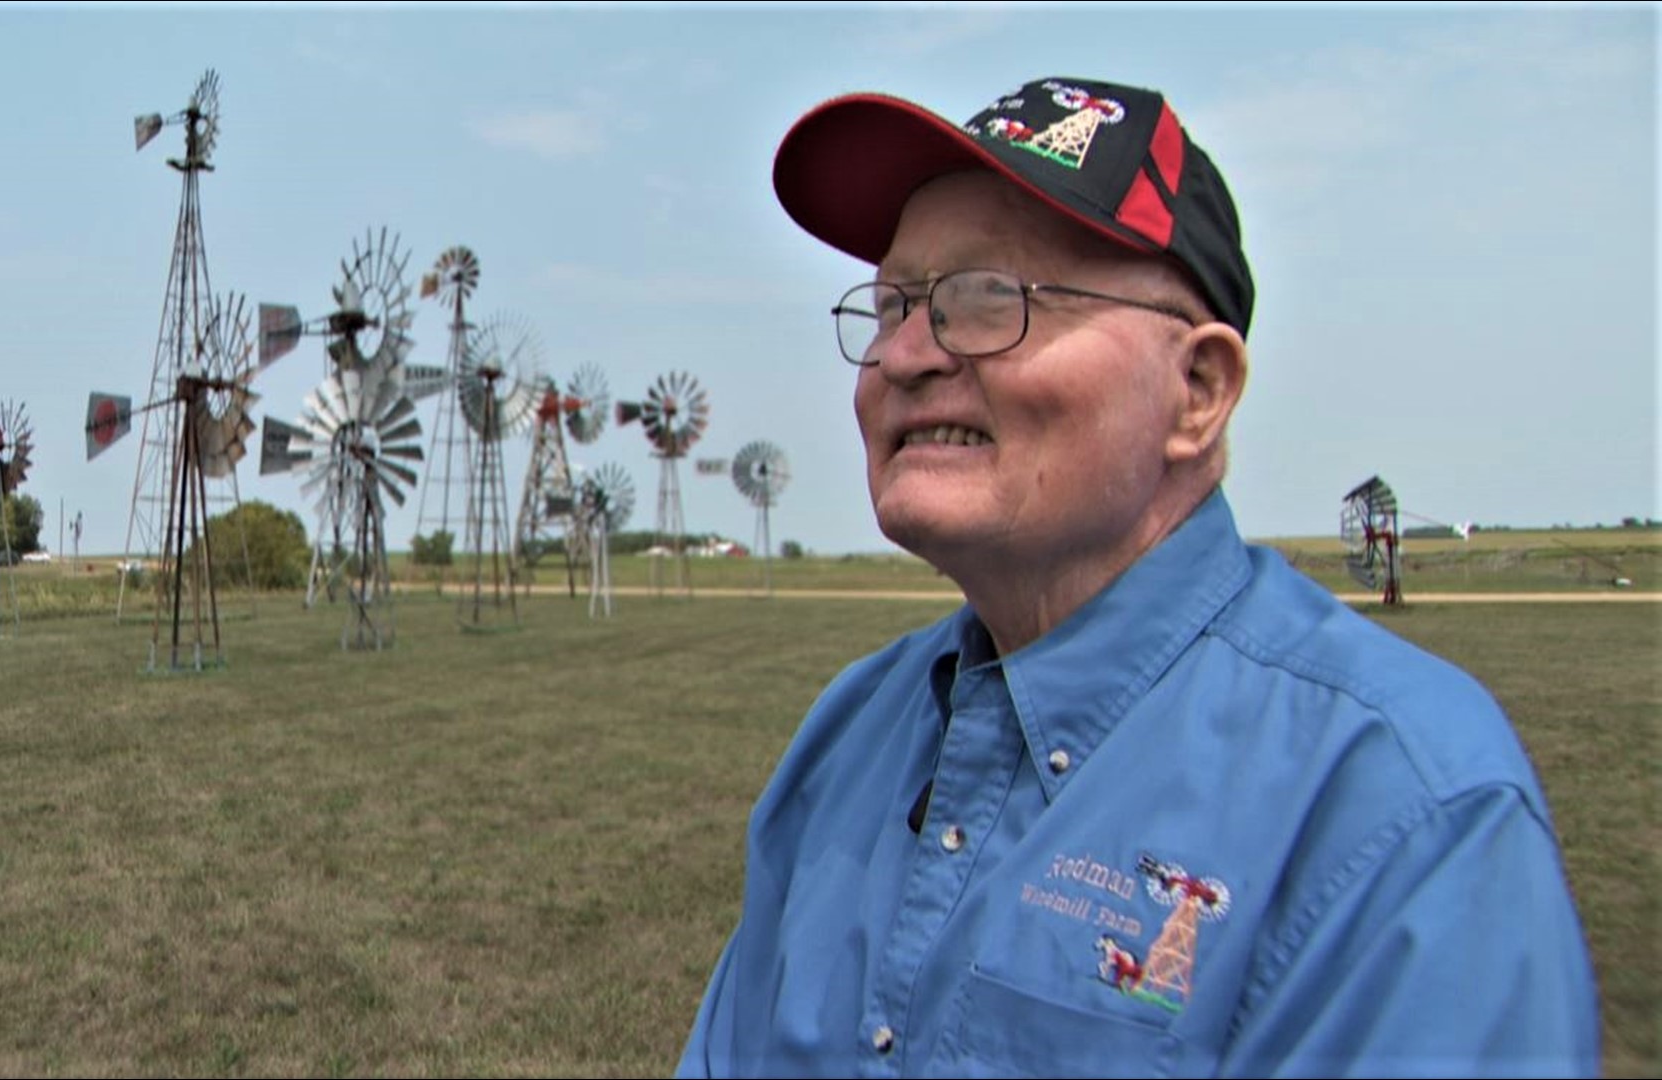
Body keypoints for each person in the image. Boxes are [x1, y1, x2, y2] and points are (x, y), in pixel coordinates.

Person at [676, 76, 1600, 1078]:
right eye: (893, 302)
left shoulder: (1405, 808)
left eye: (988, 298)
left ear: (1197, 392)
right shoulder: (849, 735)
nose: (902, 355)